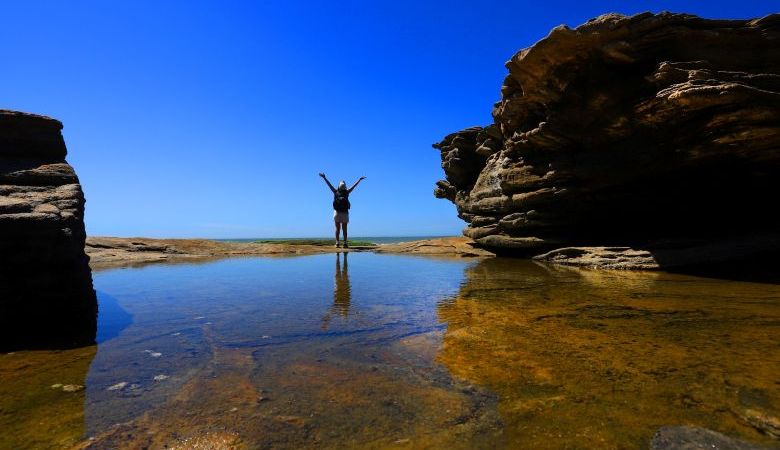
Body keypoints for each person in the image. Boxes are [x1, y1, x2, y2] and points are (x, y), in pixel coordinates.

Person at [318, 173, 366, 248]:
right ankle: (345, 243)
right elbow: (354, 186)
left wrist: (324, 177)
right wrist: (359, 180)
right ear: (345, 186)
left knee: (337, 229)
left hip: (337, 212)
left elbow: (329, 185)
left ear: (339, 186)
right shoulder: (347, 192)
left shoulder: (335, 191)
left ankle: (337, 243)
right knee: (344, 229)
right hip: (345, 213)